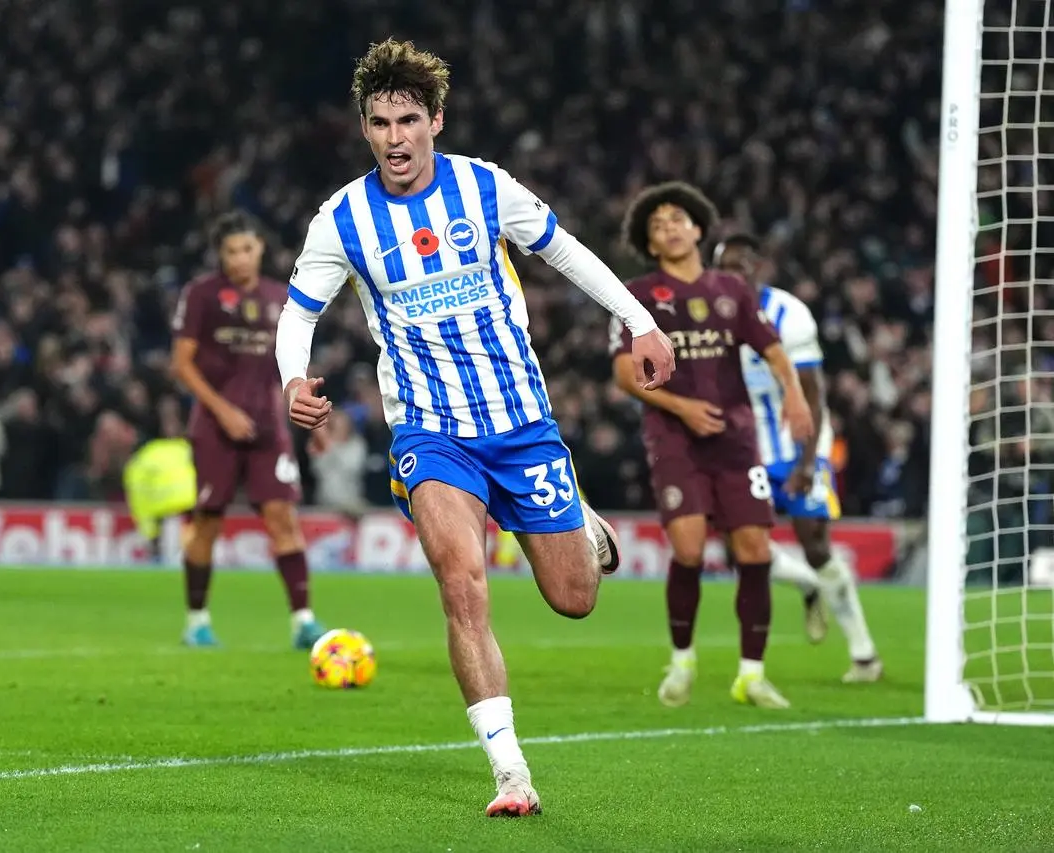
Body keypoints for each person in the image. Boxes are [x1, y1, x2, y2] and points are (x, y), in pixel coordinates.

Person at [275, 38, 674, 817]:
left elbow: (566, 253)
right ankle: (510, 772)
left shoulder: (484, 188)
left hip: (520, 423)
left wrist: (640, 322)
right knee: (462, 583)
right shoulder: (342, 219)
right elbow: (299, 313)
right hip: (430, 431)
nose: (395, 137)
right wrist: (294, 376)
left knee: (573, 597)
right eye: (380, 122)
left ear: (437, 120)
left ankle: (581, 523)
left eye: (409, 120)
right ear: (364, 128)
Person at [609, 182, 812, 710]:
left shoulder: (733, 290)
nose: (670, 228)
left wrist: (794, 396)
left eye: (679, 219)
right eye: (658, 225)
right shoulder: (636, 295)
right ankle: (682, 661)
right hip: (674, 438)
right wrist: (683, 409)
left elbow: (772, 350)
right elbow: (625, 374)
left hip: (737, 439)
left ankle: (752, 673)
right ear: (650, 244)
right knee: (690, 549)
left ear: (698, 228)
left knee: (755, 551)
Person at [715, 233, 882, 683]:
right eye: (726, 266)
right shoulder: (711, 318)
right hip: (747, 448)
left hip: (797, 441)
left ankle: (864, 654)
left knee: (815, 544)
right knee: (738, 549)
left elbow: (814, 395)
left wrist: (808, 463)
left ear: (758, 267)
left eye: (742, 265)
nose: (735, 274)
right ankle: (806, 583)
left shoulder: (790, 315)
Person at [171, 211, 327, 650]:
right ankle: (197, 622)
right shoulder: (202, 295)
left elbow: (290, 366)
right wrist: (222, 412)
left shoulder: (282, 297)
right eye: (231, 251)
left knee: (283, 519)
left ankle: (303, 622)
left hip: (268, 428)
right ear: (221, 256)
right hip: (214, 429)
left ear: (260, 248)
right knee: (207, 522)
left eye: (247, 249)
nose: (240, 258)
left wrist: (306, 418)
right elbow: (181, 363)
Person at [122, 437, 197, 561]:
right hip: (196, 509)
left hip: (170, 513)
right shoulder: (184, 448)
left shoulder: (141, 461)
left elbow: (139, 501)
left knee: (172, 558)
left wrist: (149, 532)